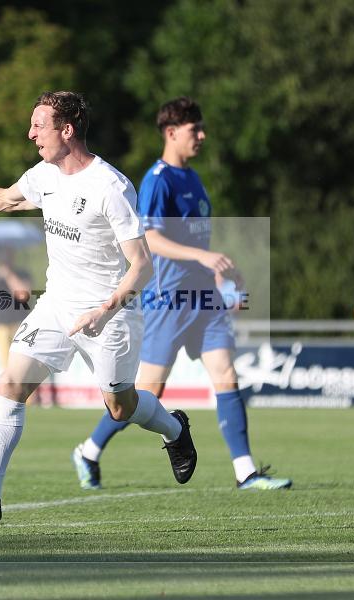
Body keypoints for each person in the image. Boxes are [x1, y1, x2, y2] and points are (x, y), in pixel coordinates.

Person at [0, 91, 197, 526]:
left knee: (120, 407)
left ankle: (175, 429)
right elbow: (3, 199)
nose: (30, 134)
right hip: (56, 306)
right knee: (11, 382)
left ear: (66, 130)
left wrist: (104, 310)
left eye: (39, 125)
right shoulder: (44, 174)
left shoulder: (111, 187)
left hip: (111, 315)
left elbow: (142, 265)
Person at [71, 97, 291, 492]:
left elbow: (196, 242)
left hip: (203, 298)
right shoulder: (158, 180)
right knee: (147, 393)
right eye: (195, 129)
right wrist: (204, 256)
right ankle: (89, 450)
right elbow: (151, 239)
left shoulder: (193, 178)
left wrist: (220, 273)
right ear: (171, 132)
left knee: (226, 374)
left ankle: (246, 472)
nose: (202, 136)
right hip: (167, 300)